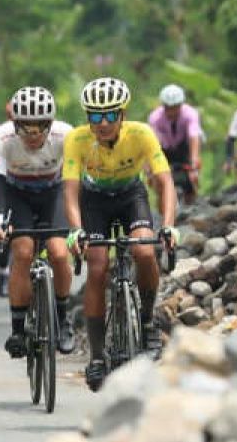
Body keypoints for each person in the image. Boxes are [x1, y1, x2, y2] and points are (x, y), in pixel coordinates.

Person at [62, 77, 176, 392]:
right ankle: (97, 356)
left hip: (131, 197)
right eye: (95, 116)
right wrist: (76, 231)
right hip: (94, 200)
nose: (102, 123)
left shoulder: (141, 134)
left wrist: (167, 224)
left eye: (110, 115)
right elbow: (70, 192)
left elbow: (165, 182)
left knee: (143, 251)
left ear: (122, 115)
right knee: (97, 267)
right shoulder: (76, 139)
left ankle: (149, 320)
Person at [0, 86, 76, 357]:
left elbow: (74, 181)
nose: (33, 136)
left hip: (54, 193)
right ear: (15, 125)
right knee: (23, 252)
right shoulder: (1, 137)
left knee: (60, 254)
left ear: (50, 124)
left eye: (40, 129)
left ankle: (62, 319)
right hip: (17, 194)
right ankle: (17, 330)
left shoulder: (66, 134)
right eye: (26, 129)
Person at [147, 83, 203, 206]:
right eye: (168, 108)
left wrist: (194, 162)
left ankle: (191, 205)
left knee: (191, 179)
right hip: (164, 148)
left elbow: (194, 136)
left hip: (184, 147)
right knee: (158, 180)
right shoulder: (155, 117)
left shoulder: (190, 113)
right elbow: (151, 143)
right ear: (163, 106)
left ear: (181, 105)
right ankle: (163, 212)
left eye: (175, 107)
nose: (171, 112)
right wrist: (150, 169)